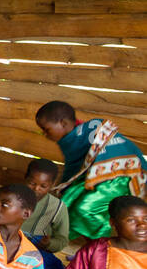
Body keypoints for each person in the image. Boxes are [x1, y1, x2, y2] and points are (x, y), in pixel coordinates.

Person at [36, 100, 147, 241]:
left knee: (84, 210)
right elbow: (75, 168)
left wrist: (63, 185)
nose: (44, 134)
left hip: (122, 176)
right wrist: (63, 188)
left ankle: (102, 249)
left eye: (46, 129)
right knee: (67, 202)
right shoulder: (74, 137)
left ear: (63, 124)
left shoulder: (84, 134)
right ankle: (90, 249)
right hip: (103, 178)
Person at [22, 157, 72, 269]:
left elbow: (62, 240)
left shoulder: (57, 207)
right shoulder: (12, 196)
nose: (36, 189)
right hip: (7, 243)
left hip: (36, 249)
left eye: (43, 186)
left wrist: (48, 244)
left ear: (52, 184)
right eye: (32, 183)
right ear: (25, 178)